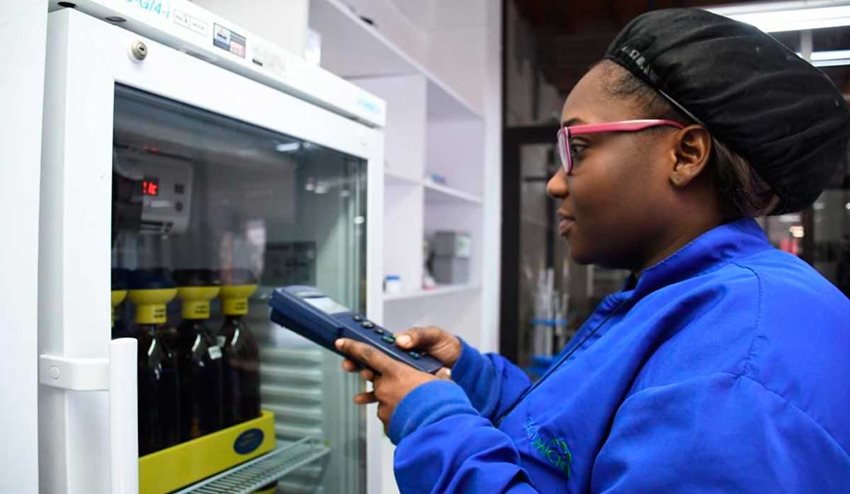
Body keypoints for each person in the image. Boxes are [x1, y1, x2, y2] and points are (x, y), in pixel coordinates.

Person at [336, 8, 850, 492]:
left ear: (686, 154)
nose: (556, 184)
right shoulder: (689, 297)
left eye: (576, 149)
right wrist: (474, 381)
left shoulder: (737, 365)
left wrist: (434, 425)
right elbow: (575, 447)